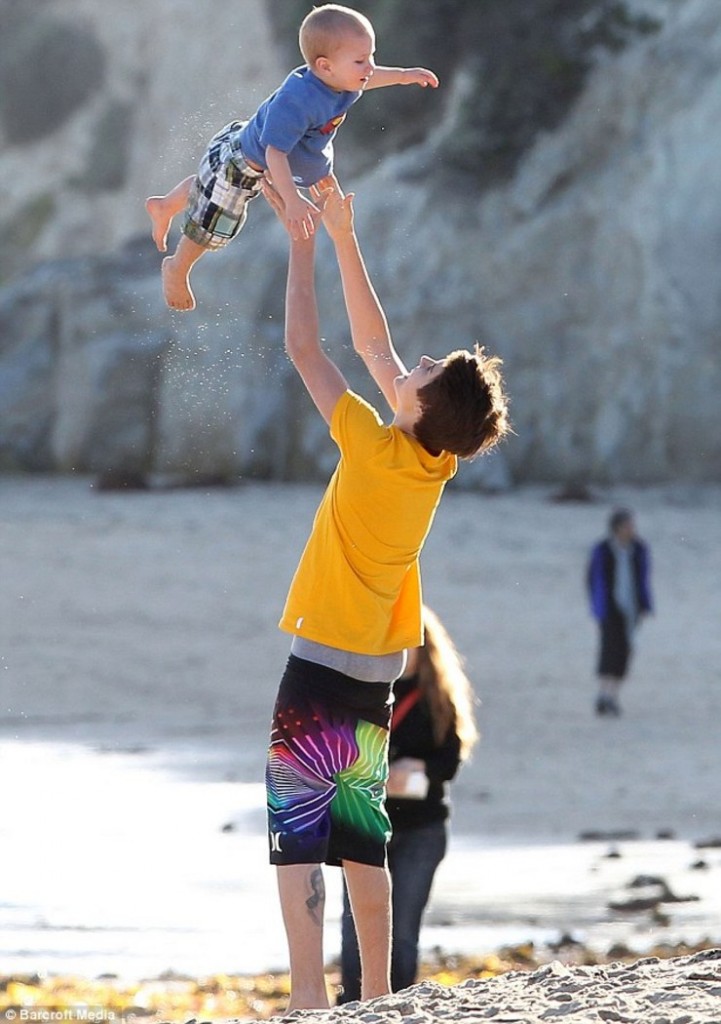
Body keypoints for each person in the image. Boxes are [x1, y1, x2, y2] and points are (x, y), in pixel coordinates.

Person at [262, 179, 509, 1011]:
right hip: (372, 675)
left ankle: (308, 995)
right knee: (362, 837)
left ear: (417, 404)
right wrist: (341, 233)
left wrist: (302, 243)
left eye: (424, 369)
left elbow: (308, 347)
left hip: (317, 665)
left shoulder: (369, 446)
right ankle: (371, 995)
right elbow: (374, 344)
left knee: (299, 839)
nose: (414, 361)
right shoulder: (431, 461)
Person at [145, 3, 438, 311]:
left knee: (210, 184)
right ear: (325, 66)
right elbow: (275, 153)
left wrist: (405, 76)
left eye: (371, 56)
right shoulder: (298, 100)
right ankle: (177, 268)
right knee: (214, 219)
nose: (369, 67)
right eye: (361, 61)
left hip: (245, 144)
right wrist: (292, 199)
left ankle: (165, 205)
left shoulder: (344, 78)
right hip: (246, 163)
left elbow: (372, 77)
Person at [338, 605, 479, 1002]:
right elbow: (341, 756)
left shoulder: (439, 698)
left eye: (406, 643)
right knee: (355, 928)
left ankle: (397, 1004)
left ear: (423, 646)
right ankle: (353, 1004)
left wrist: (418, 770)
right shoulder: (366, 692)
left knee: (402, 932)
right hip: (366, 823)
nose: (398, 652)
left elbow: (450, 760)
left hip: (422, 827)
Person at [587, 507, 653, 716]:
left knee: (626, 651)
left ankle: (611, 696)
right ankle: (604, 694)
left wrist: (646, 604)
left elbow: (643, 578)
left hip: (632, 608)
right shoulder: (603, 550)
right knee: (610, 650)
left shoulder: (639, 549)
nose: (632, 529)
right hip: (609, 607)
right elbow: (593, 579)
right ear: (617, 528)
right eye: (628, 526)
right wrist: (598, 605)